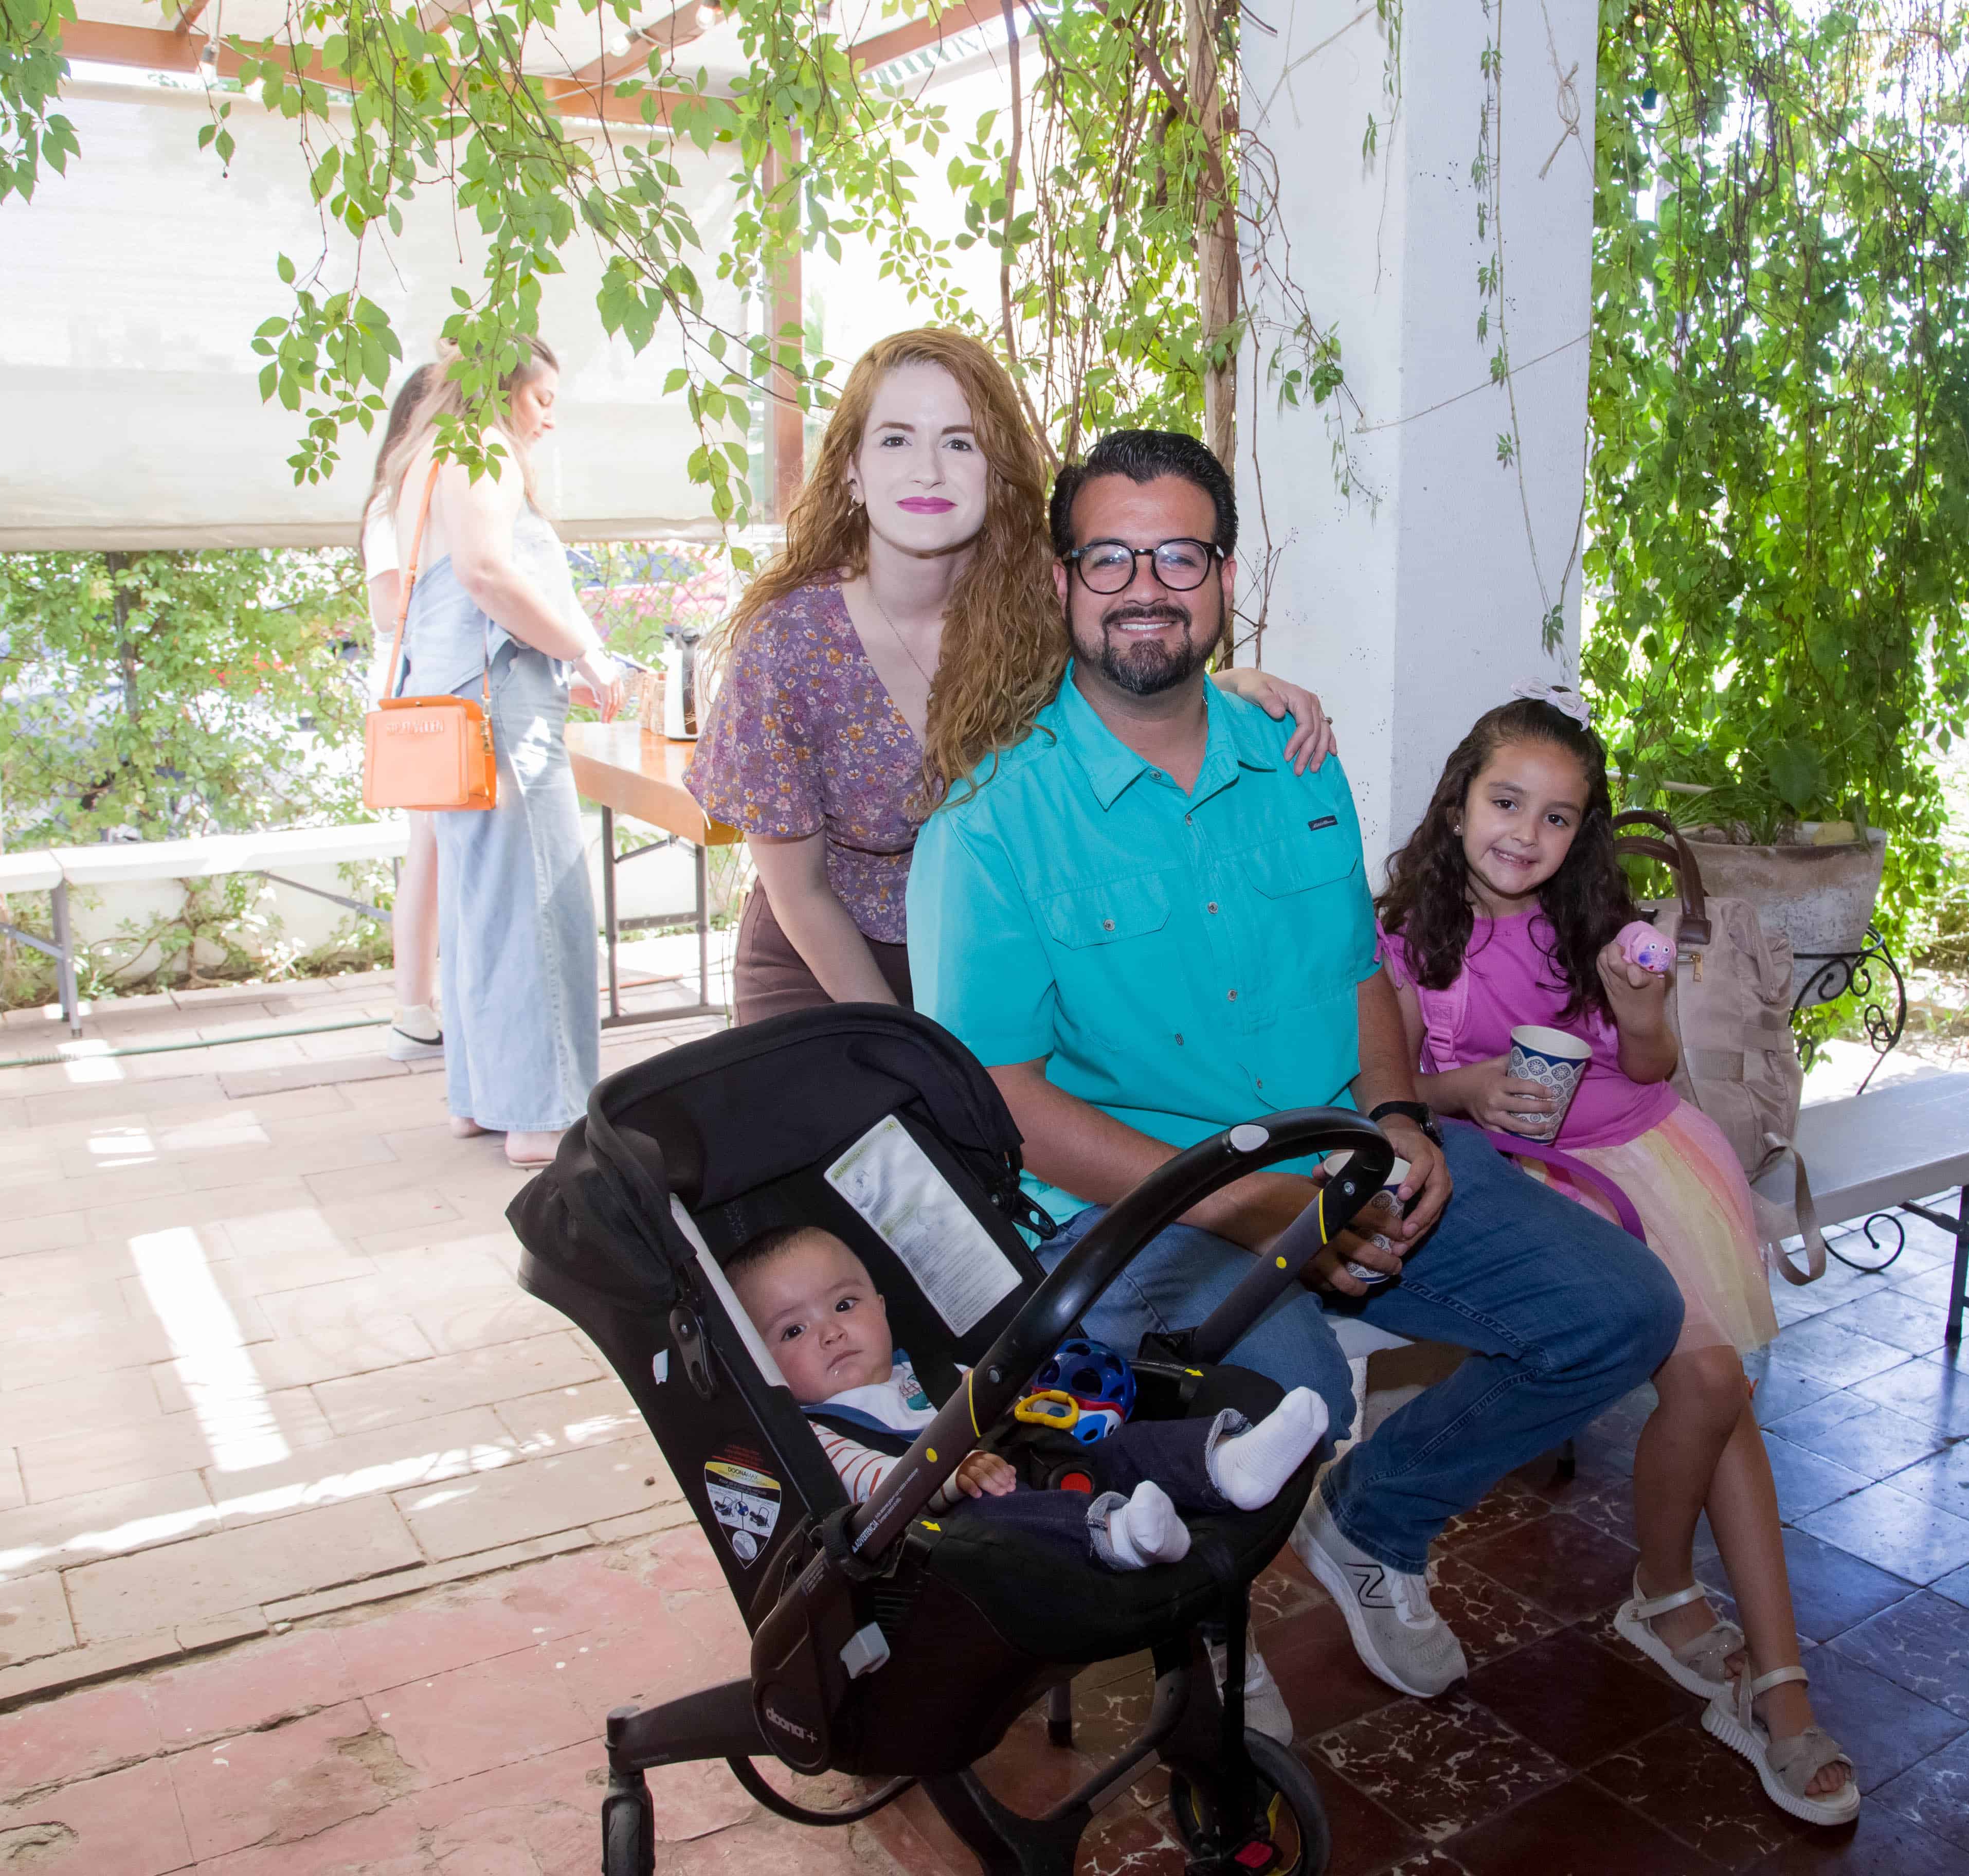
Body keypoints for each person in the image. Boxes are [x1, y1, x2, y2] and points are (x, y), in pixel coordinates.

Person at [907, 429, 1684, 1710]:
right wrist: (1257, 1205)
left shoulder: (1296, 766)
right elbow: (1002, 1099)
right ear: (1058, 583)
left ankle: (1373, 1521)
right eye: (1107, 555)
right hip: (1132, 1205)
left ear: (1223, 580)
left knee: (1619, 1311)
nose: (1143, 584)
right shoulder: (991, 822)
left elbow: (1353, 978)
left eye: (1177, 555)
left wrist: (1395, 1119)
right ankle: (1200, 1633)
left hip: (1337, 1153)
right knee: (1297, 1391)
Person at [1375, 693, 1858, 1824]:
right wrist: (1465, 1090)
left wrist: (1644, 1005)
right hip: (1519, 1181)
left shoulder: (1590, 922)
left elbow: (1648, 1068)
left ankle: (1720, 1636)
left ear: (1581, 832)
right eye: (1505, 803)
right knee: (1710, 1384)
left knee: (1719, 1385)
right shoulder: (1402, 939)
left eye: (1556, 818)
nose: (1524, 836)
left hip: (1645, 1155)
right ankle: (1695, 1619)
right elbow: (1392, 1082)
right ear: (1456, 804)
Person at [692, 328, 1336, 1024]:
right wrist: (912, 1046)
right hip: (827, 964)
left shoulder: (1043, 604)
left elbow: (1137, 672)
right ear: (851, 469)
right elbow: (801, 894)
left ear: (996, 470)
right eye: (896, 440)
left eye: (960, 442)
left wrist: (1232, 687)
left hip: (1011, 947)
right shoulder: (789, 642)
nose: (928, 470)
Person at [722, 1223, 1332, 1571]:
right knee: (998, 1522)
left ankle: (1225, 1462)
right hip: (951, 1530)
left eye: (845, 1304)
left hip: (1036, 1463)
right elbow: (874, 1486)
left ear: (882, 1308)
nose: (830, 1330)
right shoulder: (817, 1430)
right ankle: (1121, 1535)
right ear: (761, 1363)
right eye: (793, 1331)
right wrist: (952, 1477)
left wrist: (1064, 1399)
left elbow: (1016, 1399)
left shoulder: (937, 1371)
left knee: (1123, 1447)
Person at [384, 338, 628, 1167]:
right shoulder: (482, 447)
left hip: (447, 702)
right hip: (500, 699)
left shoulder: (423, 456)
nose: (551, 417)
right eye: (544, 397)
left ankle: (483, 1099)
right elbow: (488, 571)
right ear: (504, 389)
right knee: (542, 903)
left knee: (481, 908)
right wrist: (587, 651)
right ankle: (544, 1114)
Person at [358, 363, 446, 1063]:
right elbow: (389, 608)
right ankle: (413, 1003)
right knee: (433, 849)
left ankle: (421, 1002)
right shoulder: (395, 505)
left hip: (434, 694)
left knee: (440, 850)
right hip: (424, 699)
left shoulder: (412, 496)